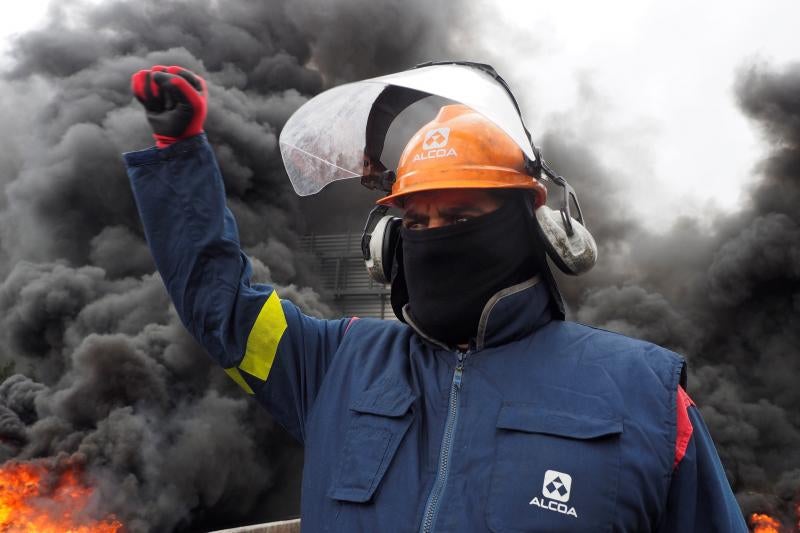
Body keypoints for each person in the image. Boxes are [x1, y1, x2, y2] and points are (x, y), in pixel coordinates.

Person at [124, 65, 748, 532]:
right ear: (387, 243)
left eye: (460, 214)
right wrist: (178, 157)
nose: (434, 237)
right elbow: (221, 307)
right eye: (415, 223)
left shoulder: (646, 394)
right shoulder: (333, 365)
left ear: (531, 228)